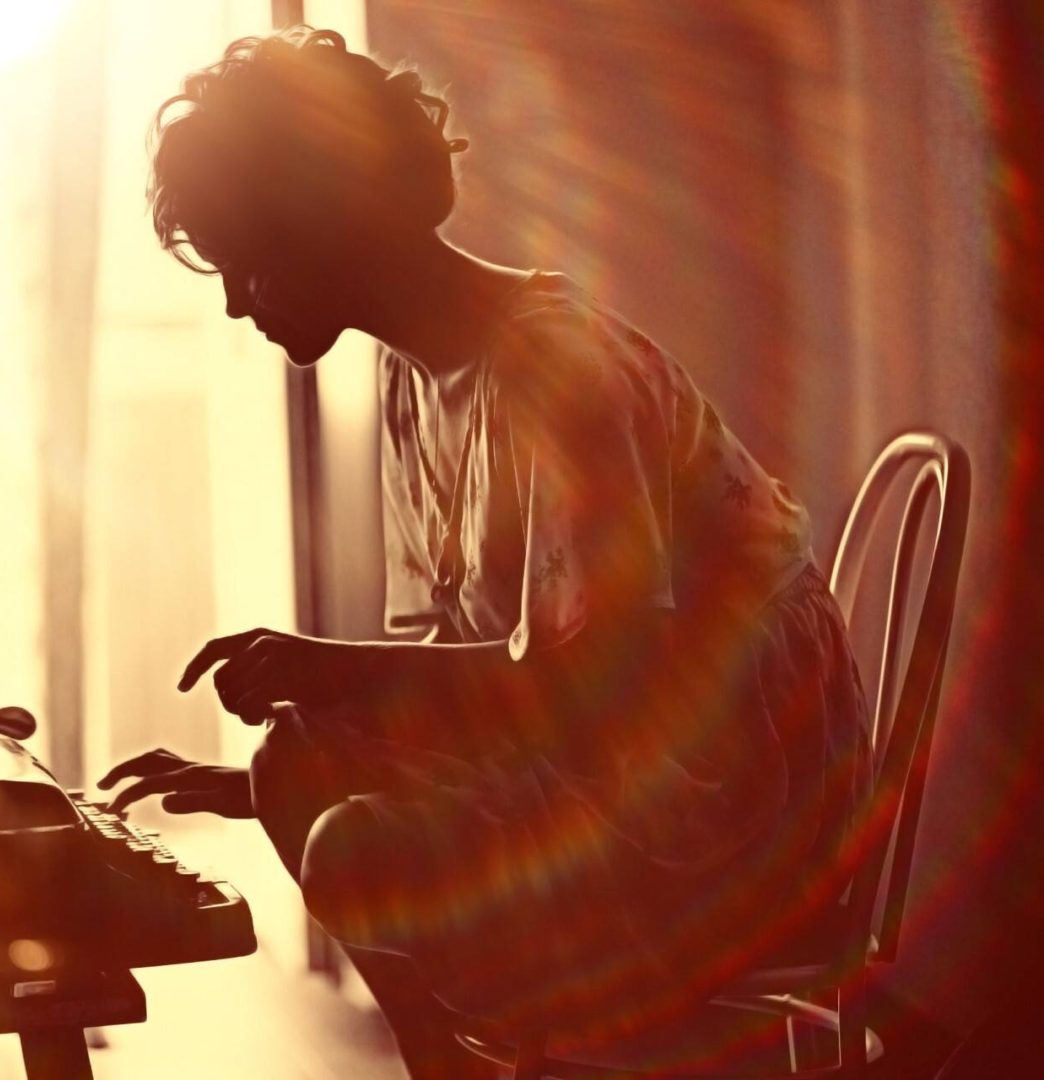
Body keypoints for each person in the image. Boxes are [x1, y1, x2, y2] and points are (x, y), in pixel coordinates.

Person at [99, 27, 868, 1077]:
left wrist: (337, 670)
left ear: (326, 223)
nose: (237, 303)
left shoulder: (551, 373)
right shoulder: (422, 383)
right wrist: (263, 774)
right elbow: (490, 689)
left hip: (740, 817)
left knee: (357, 848)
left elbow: (603, 696)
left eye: (252, 262)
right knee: (293, 761)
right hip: (625, 778)